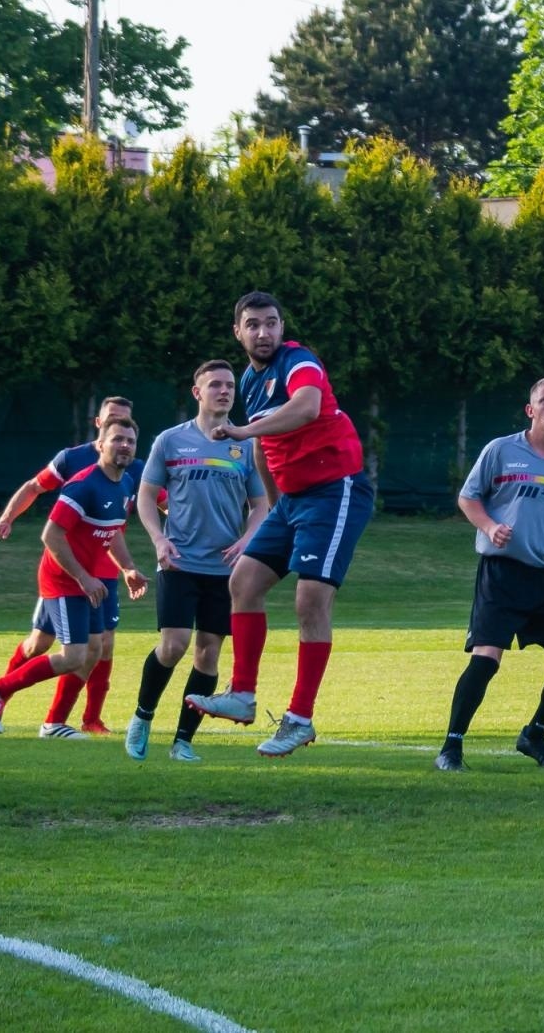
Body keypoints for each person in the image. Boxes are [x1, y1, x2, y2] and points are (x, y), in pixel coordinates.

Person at [184, 291, 374, 759]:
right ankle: (243, 694)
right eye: (253, 324)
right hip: (292, 501)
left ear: (281, 327)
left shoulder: (298, 361)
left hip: (335, 490)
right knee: (244, 580)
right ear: (238, 332)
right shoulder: (250, 379)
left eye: (271, 323)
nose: (263, 332)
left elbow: (307, 407)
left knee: (310, 599)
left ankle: (299, 719)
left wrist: (245, 430)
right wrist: (273, 508)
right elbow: (264, 447)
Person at [434, 377, 544, 771]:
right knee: (487, 658)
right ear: (531, 410)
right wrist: (489, 527)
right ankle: (451, 747)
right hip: (501, 575)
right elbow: (467, 497)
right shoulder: (501, 451)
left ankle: (534, 735)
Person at [126, 361, 268, 763]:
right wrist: (158, 540)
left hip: (225, 569)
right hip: (179, 561)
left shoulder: (246, 444)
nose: (224, 391)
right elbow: (145, 497)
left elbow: (261, 504)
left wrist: (247, 539)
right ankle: (142, 716)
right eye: (215, 385)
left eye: (229, 386)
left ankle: (182, 741)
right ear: (197, 392)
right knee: (173, 645)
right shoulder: (170, 441)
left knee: (208, 653)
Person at [0, 418, 148, 734]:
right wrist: (82, 577)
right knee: (72, 655)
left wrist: (128, 568)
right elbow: (51, 535)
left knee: (94, 650)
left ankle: (54, 724)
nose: (124, 446)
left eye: (130, 441)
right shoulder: (83, 485)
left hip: (88, 580)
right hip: (64, 581)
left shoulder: (124, 483)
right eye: (117, 439)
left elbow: (112, 532)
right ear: (101, 444)